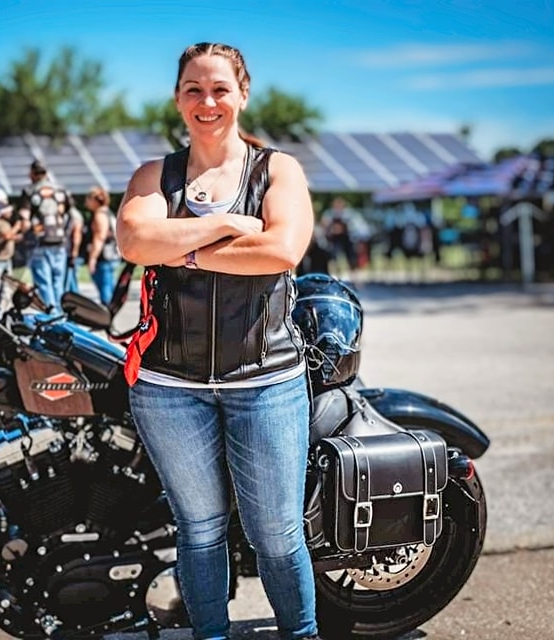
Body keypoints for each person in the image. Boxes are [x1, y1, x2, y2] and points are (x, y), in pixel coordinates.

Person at [116, 42, 317, 640]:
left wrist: (182, 248)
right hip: (168, 387)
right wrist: (226, 227)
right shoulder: (154, 175)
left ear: (243, 94)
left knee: (276, 534)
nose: (208, 101)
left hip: (267, 381)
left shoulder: (278, 170)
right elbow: (134, 242)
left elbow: (281, 249)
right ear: (178, 99)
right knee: (200, 530)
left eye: (220, 88)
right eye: (194, 89)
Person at [16, 159, 78, 311]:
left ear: (32, 174)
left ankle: (52, 315)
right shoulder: (61, 190)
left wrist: (21, 235)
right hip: (60, 242)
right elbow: (73, 216)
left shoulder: (29, 192)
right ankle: (61, 314)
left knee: (44, 283)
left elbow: (24, 217)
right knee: (58, 282)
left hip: (39, 242)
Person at [83, 186, 122, 305]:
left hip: (104, 258)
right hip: (111, 256)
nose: (86, 201)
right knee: (109, 287)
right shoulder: (107, 212)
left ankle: (108, 313)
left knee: (106, 291)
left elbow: (99, 238)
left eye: (88, 198)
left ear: (94, 200)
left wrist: (92, 259)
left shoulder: (100, 215)